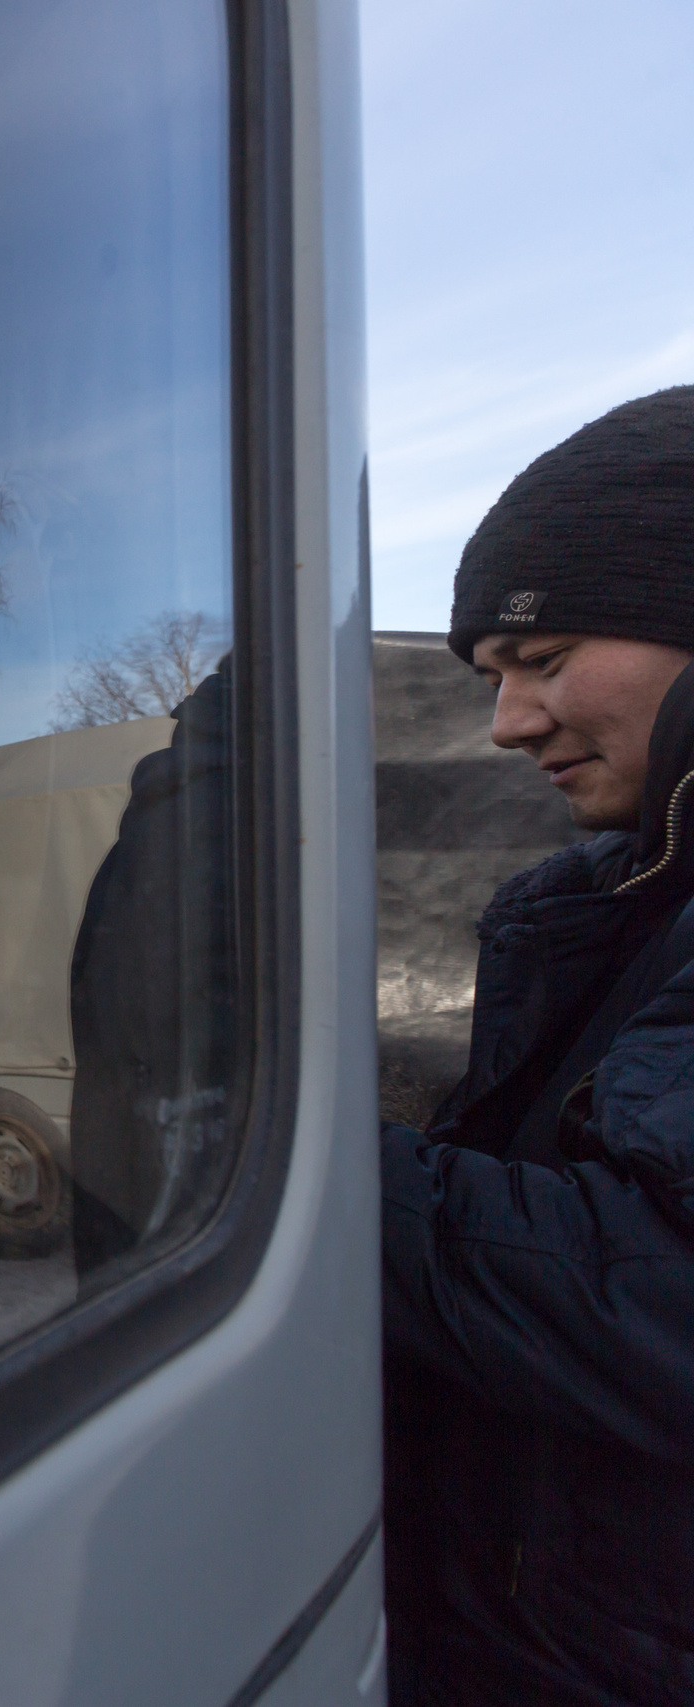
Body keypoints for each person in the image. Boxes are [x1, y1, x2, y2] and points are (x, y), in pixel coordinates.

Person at [381, 387, 694, 1706]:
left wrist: (293, 1165)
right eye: (493, 678)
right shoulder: (623, 907)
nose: (507, 724)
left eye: (547, 654)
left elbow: (658, 1300)